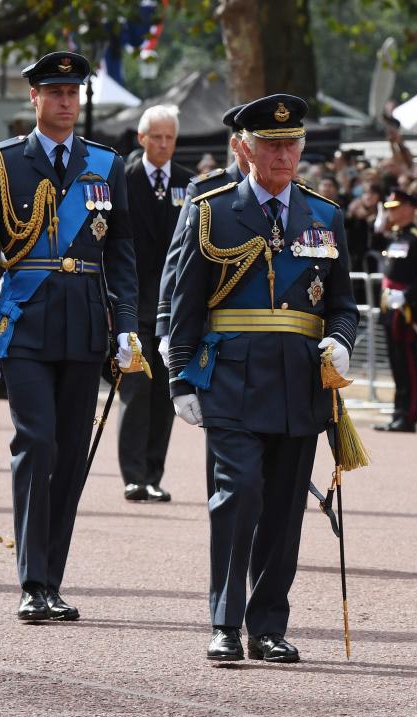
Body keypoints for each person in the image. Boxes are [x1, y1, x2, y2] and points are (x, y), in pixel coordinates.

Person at [167, 94, 358, 663]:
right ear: (244, 149)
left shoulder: (325, 215)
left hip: (300, 383)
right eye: (271, 145)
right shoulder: (211, 211)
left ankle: (269, 623)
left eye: (292, 144)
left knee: (283, 507)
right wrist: (180, 377)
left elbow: (343, 303)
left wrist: (341, 340)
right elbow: (185, 302)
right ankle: (225, 621)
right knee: (239, 494)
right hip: (231, 376)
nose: (283, 155)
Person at [0, 51, 138, 621]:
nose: (66, 101)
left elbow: (121, 254)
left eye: (73, 92)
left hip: (86, 325)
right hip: (27, 323)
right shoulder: (3, 162)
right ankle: (32, 580)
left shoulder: (107, 165)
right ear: (34, 98)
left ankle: (52, 578)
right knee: (36, 444)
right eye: (55, 92)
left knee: (71, 456)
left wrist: (127, 327)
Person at [156, 104, 250, 500]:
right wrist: (167, 327)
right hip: (217, 333)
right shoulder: (205, 189)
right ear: (238, 146)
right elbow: (177, 264)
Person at [118, 105, 192, 503]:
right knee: (135, 392)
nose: (164, 145)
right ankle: (133, 475)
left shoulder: (188, 183)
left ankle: (153, 474)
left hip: (172, 309)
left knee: (166, 395)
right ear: (142, 138)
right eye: (157, 137)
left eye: (170, 138)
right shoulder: (124, 180)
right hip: (132, 303)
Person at [373, 189, 417, 433]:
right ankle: (398, 412)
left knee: (408, 363)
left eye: (396, 207)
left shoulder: (416, 239)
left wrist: (406, 295)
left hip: (408, 310)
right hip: (391, 307)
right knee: (396, 362)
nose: (392, 213)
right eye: (389, 209)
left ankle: (408, 415)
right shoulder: (395, 235)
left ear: (410, 208)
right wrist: (377, 229)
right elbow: (377, 251)